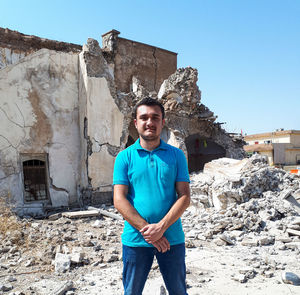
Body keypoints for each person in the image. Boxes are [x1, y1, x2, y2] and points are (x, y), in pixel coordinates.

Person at [113, 97, 190, 295]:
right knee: (131, 292)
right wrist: (149, 232)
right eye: (144, 117)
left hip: (171, 239)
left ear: (162, 122)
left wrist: (161, 227)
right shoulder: (124, 157)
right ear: (135, 123)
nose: (150, 122)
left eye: (155, 117)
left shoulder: (176, 155)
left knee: (179, 291)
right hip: (135, 239)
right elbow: (119, 199)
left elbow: (184, 196)